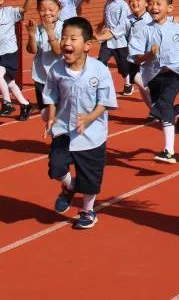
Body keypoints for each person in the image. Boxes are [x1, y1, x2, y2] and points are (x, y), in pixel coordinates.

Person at [43, 16, 118, 229]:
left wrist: (89, 118)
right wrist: (50, 117)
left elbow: (105, 102)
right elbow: (51, 96)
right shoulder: (56, 70)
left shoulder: (99, 70)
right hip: (63, 129)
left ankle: (87, 210)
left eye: (73, 38)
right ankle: (68, 187)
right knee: (56, 167)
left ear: (86, 45)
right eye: (64, 37)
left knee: (90, 179)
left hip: (91, 135)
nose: (66, 42)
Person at [129, 0, 179, 164]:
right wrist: (148, 55)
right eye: (152, 3)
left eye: (159, 4)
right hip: (153, 76)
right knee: (160, 109)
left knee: (163, 105)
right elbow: (136, 58)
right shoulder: (143, 30)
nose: (154, 7)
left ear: (169, 8)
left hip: (174, 73)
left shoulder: (177, 28)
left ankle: (169, 151)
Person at [96, 0, 136, 95]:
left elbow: (123, 25)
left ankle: (128, 84)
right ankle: (104, 84)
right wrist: (101, 24)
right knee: (101, 62)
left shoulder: (123, 6)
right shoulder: (107, 3)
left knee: (123, 66)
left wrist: (111, 32)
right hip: (107, 41)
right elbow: (106, 17)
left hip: (120, 42)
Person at [26, 0, 63, 114]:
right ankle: (52, 131)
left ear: (59, 9)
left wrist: (50, 32)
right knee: (45, 113)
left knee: (60, 111)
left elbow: (58, 51)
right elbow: (32, 50)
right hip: (41, 77)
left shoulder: (64, 28)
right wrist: (31, 34)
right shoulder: (39, 28)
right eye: (42, 10)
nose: (47, 13)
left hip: (60, 77)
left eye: (51, 9)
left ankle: (60, 132)